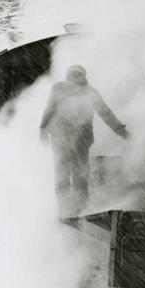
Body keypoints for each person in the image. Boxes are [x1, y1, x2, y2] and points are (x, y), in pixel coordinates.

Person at [39, 65, 128, 213]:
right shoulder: (69, 89)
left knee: (76, 174)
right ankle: (70, 209)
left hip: (75, 139)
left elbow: (106, 114)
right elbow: (49, 109)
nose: (75, 79)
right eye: (74, 75)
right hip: (64, 138)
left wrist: (121, 131)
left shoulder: (86, 92)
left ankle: (76, 209)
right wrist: (43, 128)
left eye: (77, 75)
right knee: (70, 173)